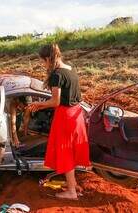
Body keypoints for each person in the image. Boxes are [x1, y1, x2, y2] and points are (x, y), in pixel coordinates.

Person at [26, 44, 90, 200]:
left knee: (65, 152)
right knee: (71, 151)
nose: (43, 65)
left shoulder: (57, 75)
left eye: (43, 61)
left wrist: (38, 104)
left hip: (65, 116)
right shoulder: (70, 69)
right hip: (76, 114)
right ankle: (73, 186)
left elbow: (55, 101)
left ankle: (72, 193)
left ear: (48, 58)